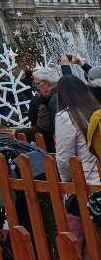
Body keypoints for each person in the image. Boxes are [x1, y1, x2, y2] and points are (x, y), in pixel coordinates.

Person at [54, 76, 101, 249]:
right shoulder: (96, 109)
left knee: (80, 238)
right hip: (98, 179)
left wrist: (66, 182)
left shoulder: (66, 116)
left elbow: (64, 158)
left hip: (86, 184)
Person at [28, 66, 61, 151]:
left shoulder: (54, 99)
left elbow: (57, 127)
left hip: (57, 148)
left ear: (47, 83)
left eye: (37, 84)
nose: (36, 88)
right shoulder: (54, 96)